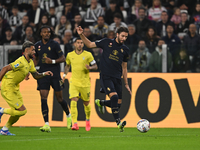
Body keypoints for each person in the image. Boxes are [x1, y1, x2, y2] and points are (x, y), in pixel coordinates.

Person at [76, 26, 132, 132]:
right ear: (117, 34)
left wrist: (126, 83)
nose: (124, 38)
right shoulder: (106, 42)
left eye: (126, 37)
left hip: (117, 78)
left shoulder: (125, 50)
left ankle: (101, 103)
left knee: (118, 104)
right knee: (114, 98)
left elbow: (124, 67)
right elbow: (89, 44)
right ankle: (119, 123)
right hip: (106, 76)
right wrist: (81, 34)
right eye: (122, 36)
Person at [0, 41, 53, 135]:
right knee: (22, 111)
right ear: (26, 50)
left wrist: (44, 73)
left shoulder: (30, 62)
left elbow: (36, 75)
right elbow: (5, 68)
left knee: (18, 112)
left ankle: (4, 130)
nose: (34, 52)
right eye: (33, 50)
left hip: (15, 88)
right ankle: (1, 111)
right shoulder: (20, 61)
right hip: (7, 87)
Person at [34, 25, 72, 132]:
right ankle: (46, 124)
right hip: (43, 74)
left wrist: (53, 61)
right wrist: (31, 70)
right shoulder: (37, 45)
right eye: (45, 32)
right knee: (43, 97)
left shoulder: (54, 44)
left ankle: (68, 116)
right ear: (41, 33)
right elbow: (36, 59)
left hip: (55, 74)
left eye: (48, 32)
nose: (47, 34)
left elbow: (63, 58)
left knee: (59, 98)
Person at [62, 37, 98, 131]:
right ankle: (75, 123)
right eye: (78, 43)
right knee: (73, 101)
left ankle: (88, 120)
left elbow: (95, 66)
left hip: (85, 83)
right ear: (74, 44)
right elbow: (67, 66)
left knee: (86, 103)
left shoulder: (88, 55)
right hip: (74, 82)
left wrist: (90, 67)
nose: (80, 44)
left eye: (81, 43)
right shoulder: (70, 55)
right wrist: (64, 75)